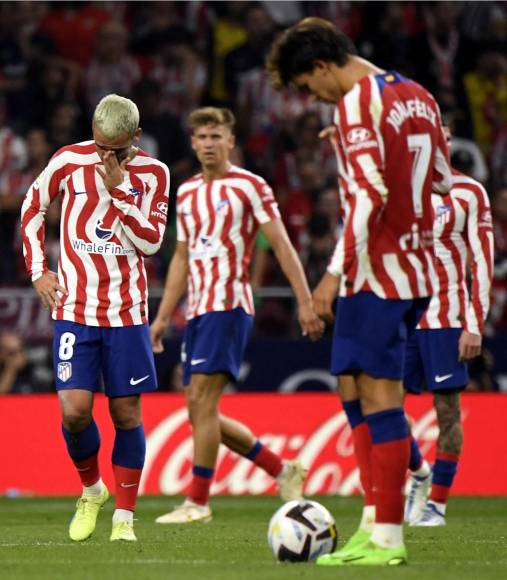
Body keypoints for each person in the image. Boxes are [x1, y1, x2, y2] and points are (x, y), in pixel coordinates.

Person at [267, 17, 452, 566]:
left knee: (376, 400)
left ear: (323, 66)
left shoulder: (355, 102)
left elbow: (369, 197)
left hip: (375, 272)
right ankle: (375, 523)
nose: (314, 99)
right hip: (416, 268)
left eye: (307, 87)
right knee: (359, 389)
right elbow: (441, 179)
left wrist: (331, 274)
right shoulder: (418, 95)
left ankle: (387, 537)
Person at [150, 106, 324, 524]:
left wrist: (305, 301)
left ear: (231, 141)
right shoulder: (188, 191)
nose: (209, 144)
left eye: (216, 136)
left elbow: (281, 245)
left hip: (229, 304)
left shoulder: (251, 186)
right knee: (198, 408)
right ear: (192, 142)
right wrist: (163, 315)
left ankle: (197, 502)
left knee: (202, 403)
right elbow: (182, 257)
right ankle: (282, 469)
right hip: (198, 309)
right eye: (202, 137)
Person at [20, 94, 170, 542]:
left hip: (126, 312)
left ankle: (124, 518)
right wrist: (38, 271)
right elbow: (32, 208)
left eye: (117, 150)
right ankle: (91, 490)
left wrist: (120, 187)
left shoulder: (154, 173)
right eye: (101, 146)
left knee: (126, 412)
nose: (106, 157)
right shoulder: (68, 160)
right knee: (75, 413)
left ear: (136, 139)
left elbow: (151, 242)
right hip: (74, 308)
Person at [404, 156, 494, 526]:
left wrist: (474, 324)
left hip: (446, 317)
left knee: (447, 412)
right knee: (383, 405)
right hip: (403, 316)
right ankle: (420, 473)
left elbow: (483, 261)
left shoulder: (469, 192)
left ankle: (436, 506)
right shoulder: (399, 191)